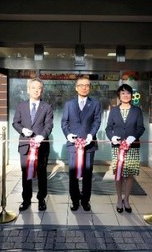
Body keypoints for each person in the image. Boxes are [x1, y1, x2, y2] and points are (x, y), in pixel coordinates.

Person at [61, 77, 102, 211]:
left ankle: (85, 200)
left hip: (89, 145)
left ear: (90, 88)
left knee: (88, 173)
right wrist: (68, 134)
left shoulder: (95, 103)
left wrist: (91, 134)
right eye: (81, 85)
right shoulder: (69, 104)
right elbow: (64, 122)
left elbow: (97, 121)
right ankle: (74, 200)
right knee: (73, 174)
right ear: (76, 87)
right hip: (73, 145)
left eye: (87, 85)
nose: (84, 87)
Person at [13, 78, 54, 211]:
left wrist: (42, 136)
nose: (37, 90)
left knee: (42, 174)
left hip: (41, 146)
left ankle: (41, 199)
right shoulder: (21, 106)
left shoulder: (47, 107)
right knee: (26, 173)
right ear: (28, 90)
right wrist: (22, 130)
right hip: (25, 146)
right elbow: (15, 122)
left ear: (42, 90)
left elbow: (49, 125)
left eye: (39, 88)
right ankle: (26, 200)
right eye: (34, 88)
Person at [105, 84, 145, 213]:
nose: (125, 95)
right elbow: (108, 128)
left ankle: (126, 199)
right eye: (123, 93)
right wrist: (112, 137)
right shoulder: (114, 110)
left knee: (129, 175)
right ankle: (118, 199)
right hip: (117, 147)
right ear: (119, 96)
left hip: (132, 147)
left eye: (128, 93)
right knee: (119, 174)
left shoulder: (137, 110)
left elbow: (140, 127)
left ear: (131, 96)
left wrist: (133, 137)